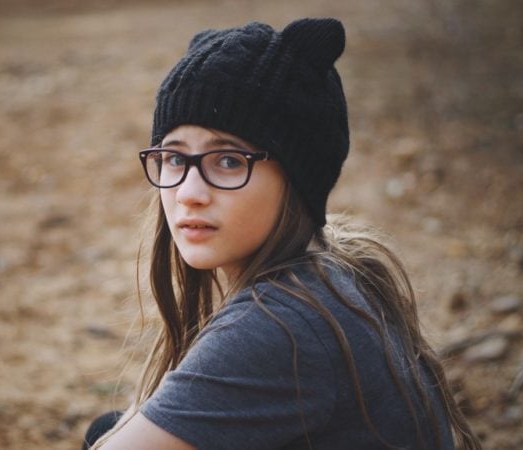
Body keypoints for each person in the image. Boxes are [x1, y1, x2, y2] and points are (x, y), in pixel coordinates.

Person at [83, 18, 481, 450]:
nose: (188, 193)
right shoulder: (331, 277)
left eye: (229, 161)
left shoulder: (283, 326)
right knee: (107, 429)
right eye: (175, 159)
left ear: (297, 178)